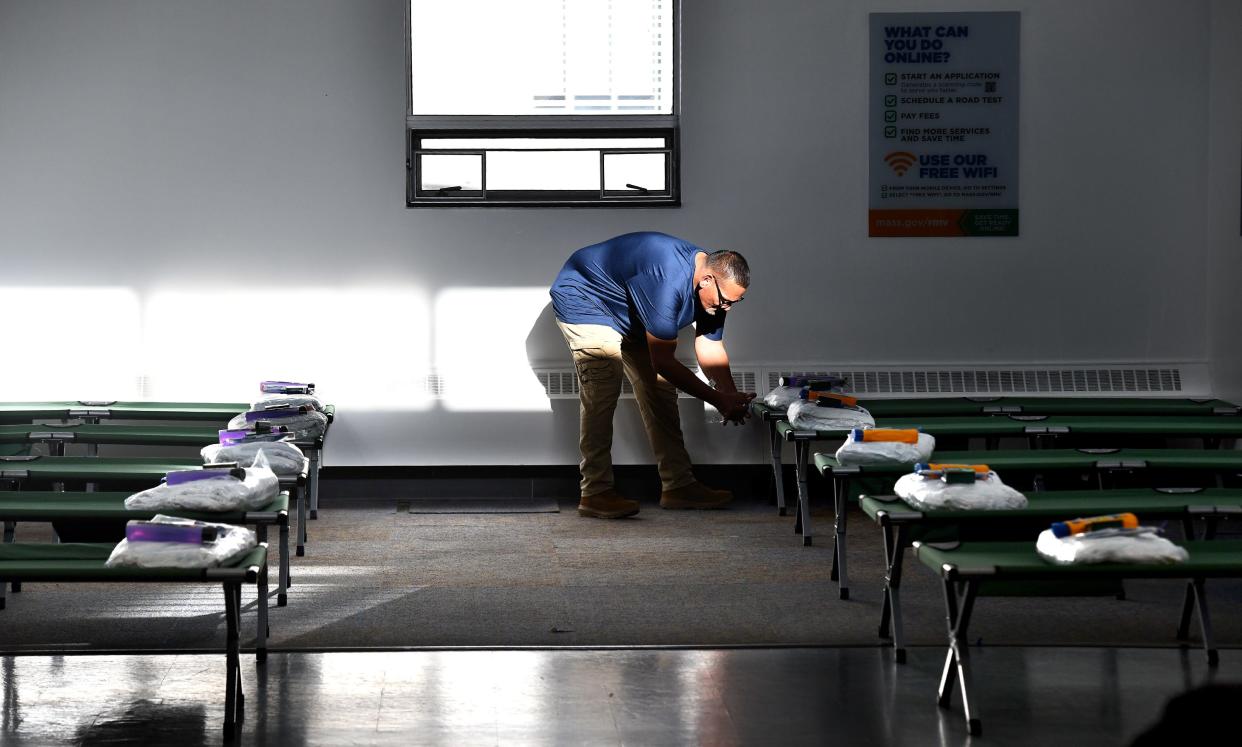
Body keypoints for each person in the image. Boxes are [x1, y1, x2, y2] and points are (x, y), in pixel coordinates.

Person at [550, 231, 756, 519]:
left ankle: (679, 486)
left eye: (735, 302)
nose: (727, 308)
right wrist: (718, 400)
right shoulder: (668, 280)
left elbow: (710, 344)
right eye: (725, 301)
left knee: (660, 391)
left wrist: (730, 395)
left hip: (633, 310)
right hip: (587, 297)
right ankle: (594, 492)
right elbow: (663, 362)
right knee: (604, 382)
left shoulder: (715, 290)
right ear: (707, 280)